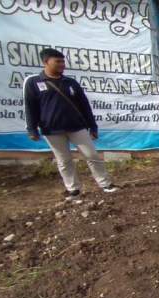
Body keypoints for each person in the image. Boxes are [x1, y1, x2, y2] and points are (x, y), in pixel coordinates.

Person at [24, 48, 118, 200]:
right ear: (46, 62)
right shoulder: (33, 83)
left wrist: (92, 126)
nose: (62, 65)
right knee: (64, 160)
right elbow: (30, 107)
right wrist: (32, 129)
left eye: (63, 61)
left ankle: (105, 184)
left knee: (92, 155)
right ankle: (73, 190)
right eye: (58, 61)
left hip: (76, 127)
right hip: (51, 129)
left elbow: (84, 105)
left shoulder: (70, 82)